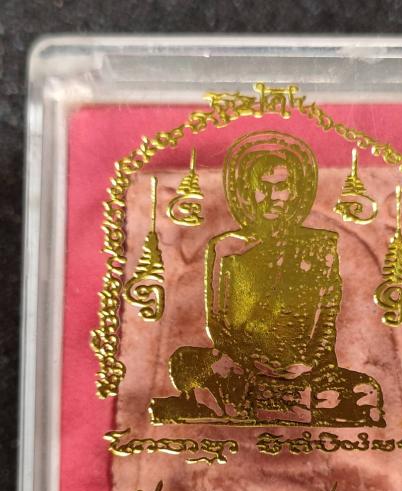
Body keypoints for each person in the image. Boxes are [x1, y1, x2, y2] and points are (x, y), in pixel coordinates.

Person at [150, 130, 384, 427]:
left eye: (281, 186)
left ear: (295, 193)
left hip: (307, 369)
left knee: (365, 390)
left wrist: (307, 363)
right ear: (248, 192)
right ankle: (253, 400)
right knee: (185, 361)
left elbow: (327, 319)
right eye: (263, 187)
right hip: (243, 366)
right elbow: (218, 325)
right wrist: (253, 362)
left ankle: (230, 404)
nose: (272, 197)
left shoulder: (320, 246)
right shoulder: (225, 247)